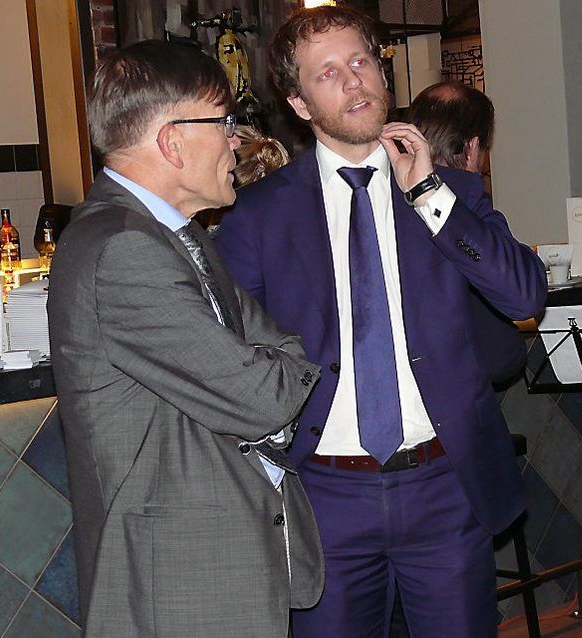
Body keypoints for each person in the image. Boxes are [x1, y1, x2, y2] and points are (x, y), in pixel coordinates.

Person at [213, 6, 547, 638]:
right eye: (329, 73)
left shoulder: (453, 192)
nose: (355, 81)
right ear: (300, 102)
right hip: (322, 496)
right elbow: (233, 358)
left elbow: (525, 295)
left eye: (362, 61)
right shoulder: (259, 216)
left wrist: (428, 193)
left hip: (445, 485)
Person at [47, 40, 324, 637]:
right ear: (173, 140)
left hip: (214, 560)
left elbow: (280, 352)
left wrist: (270, 368)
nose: (236, 142)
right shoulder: (122, 249)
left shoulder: (177, 236)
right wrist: (271, 373)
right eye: (224, 124)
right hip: (178, 578)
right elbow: (262, 397)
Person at [406, 80, 526, 386]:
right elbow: (524, 294)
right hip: (459, 389)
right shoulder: (469, 206)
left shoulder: (381, 196)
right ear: (473, 148)